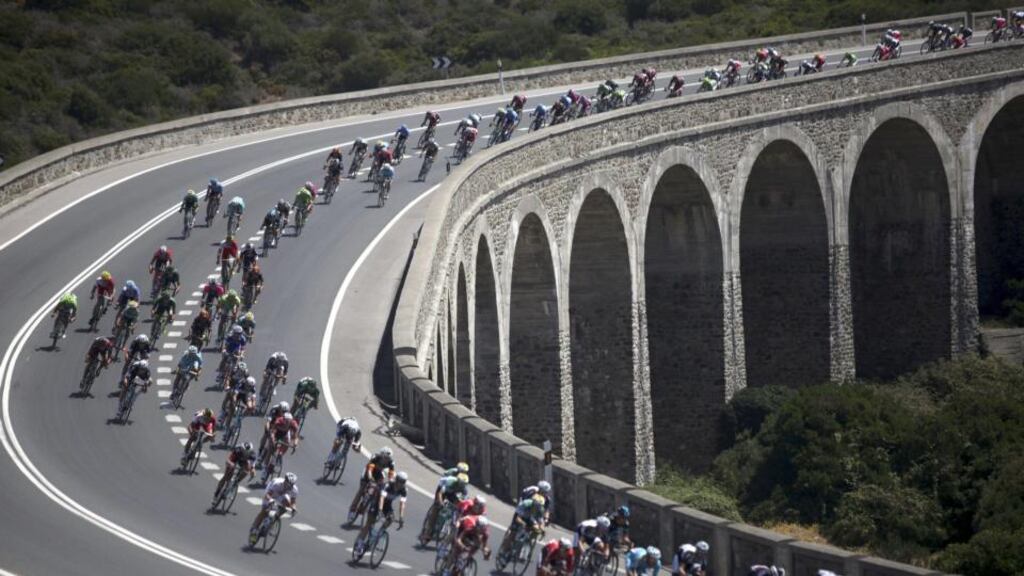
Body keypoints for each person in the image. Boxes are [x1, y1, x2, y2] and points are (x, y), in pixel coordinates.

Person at [355, 471, 408, 553]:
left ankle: (379, 534)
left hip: (387, 505)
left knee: (391, 519)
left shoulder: (404, 490)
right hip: (377, 502)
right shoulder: (388, 485)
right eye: (399, 481)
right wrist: (379, 510)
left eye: (403, 482)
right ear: (396, 479)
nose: (400, 484)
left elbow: (402, 504)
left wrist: (401, 517)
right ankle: (359, 543)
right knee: (369, 523)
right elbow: (382, 498)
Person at [249, 472, 298, 546]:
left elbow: (293, 502)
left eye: (291, 485)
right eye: (288, 484)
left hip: (281, 495)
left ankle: (274, 519)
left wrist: (294, 508)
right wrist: (271, 500)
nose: (289, 487)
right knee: (264, 511)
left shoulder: (294, 489)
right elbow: (268, 495)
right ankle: (254, 529)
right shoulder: (277, 484)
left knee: (286, 504)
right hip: (271, 493)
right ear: (285, 481)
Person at [352, 447, 396, 522]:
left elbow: (391, 475)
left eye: (388, 458)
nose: (386, 460)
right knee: (361, 489)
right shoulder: (375, 457)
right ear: (381, 455)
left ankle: (370, 501)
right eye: (384, 458)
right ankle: (353, 508)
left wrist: (390, 482)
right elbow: (370, 470)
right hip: (369, 471)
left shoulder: (391, 462)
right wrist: (370, 477)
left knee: (379, 487)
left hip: (379, 473)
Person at [213, 441, 256, 506]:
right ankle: (217, 493)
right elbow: (228, 460)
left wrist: (252, 471)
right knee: (226, 476)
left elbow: (252, 467)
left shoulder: (252, 454)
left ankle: (236, 482)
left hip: (243, 461)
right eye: (244, 452)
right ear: (241, 449)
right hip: (234, 459)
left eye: (247, 453)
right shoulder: (237, 450)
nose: (245, 453)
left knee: (247, 470)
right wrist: (230, 464)